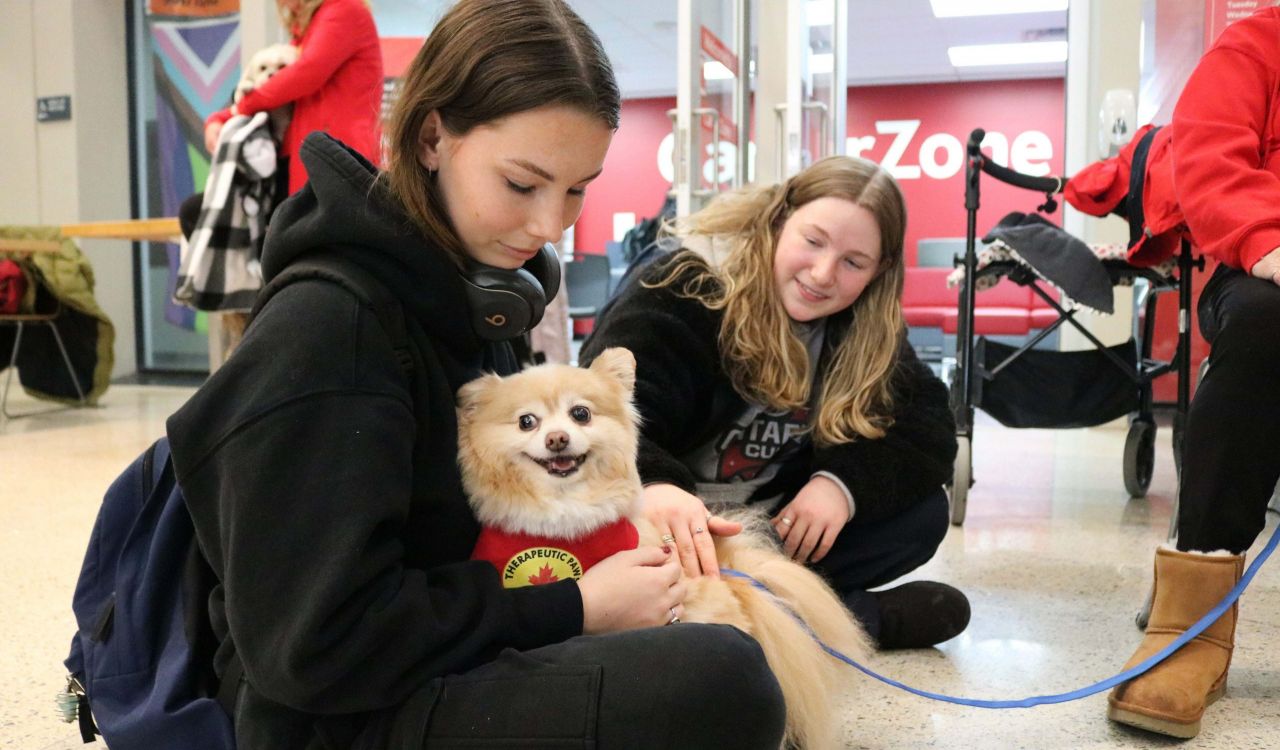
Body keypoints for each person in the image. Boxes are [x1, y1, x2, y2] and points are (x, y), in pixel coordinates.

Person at [165, 1, 785, 748]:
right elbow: (313, 649)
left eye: (577, 189)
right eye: (523, 185)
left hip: (447, 645)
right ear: (433, 137)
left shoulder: (474, 303)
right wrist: (574, 608)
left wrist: (639, 502)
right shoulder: (330, 334)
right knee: (722, 682)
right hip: (336, 714)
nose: (550, 226)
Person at [579, 156, 970, 650]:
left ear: (879, 271)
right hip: (665, 524)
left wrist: (839, 486)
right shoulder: (681, 282)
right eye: (812, 241)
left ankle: (763, 612)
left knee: (924, 513)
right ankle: (851, 619)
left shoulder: (864, 323)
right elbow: (599, 407)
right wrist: (655, 484)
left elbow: (928, 425)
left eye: (854, 263)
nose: (824, 274)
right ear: (780, 220)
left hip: (770, 532)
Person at [1107, 5, 1280, 739]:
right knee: (1270, 324)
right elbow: (1209, 159)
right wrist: (1269, 245)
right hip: (1263, 271)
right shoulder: (1257, 42)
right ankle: (1194, 616)